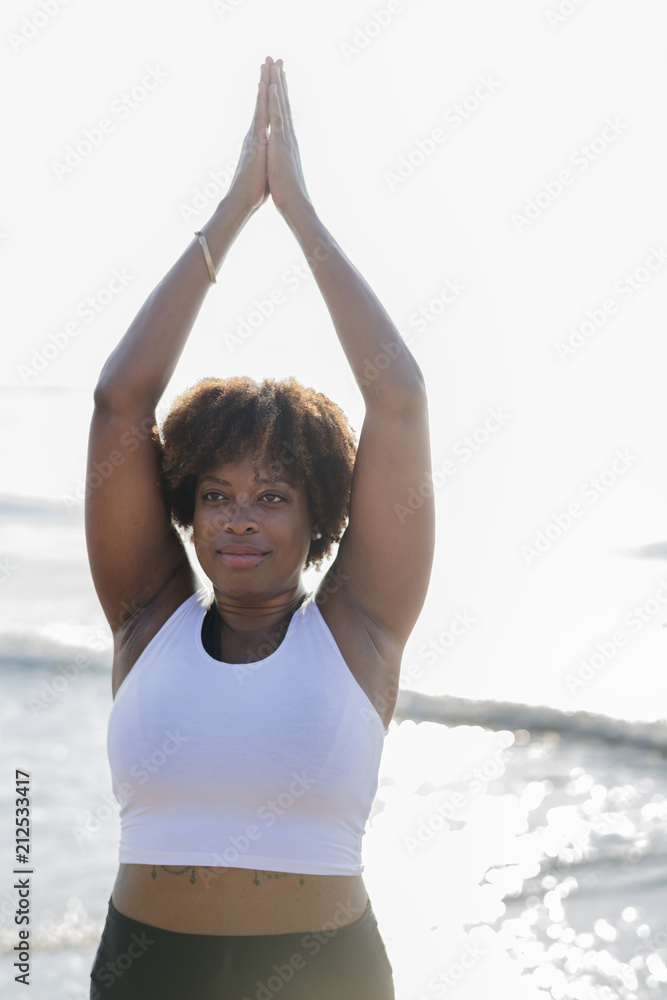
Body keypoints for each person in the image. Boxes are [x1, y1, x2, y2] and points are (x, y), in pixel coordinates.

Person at [86, 55, 435, 1000]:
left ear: (323, 514)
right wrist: (233, 211)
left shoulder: (358, 631)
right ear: (186, 507)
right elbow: (120, 402)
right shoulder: (144, 617)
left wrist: (300, 215)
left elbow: (396, 398)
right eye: (216, 493)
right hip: (149, 972)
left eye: (274, 495)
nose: (240, 519)